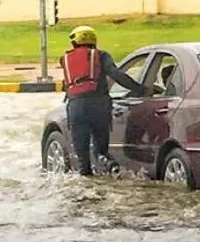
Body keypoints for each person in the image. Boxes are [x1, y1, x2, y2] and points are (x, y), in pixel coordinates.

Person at [60, 25, 147, 177]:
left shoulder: (65, 59)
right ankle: (111, 166)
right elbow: (117, 75)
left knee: (83, 159)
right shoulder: (101, 55)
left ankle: (87, 181)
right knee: (101, 151)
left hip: (75, 107)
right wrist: (140, 89)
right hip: (99, 106)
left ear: (74, 42)